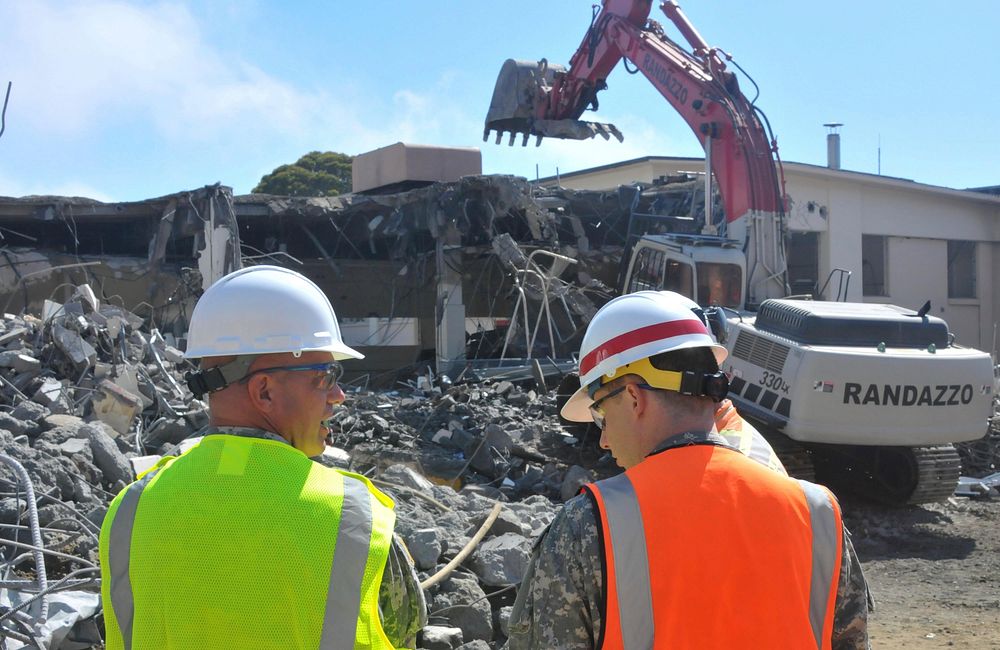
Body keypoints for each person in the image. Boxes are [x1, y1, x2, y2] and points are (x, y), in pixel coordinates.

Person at [507, 290, 871, 649]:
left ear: (634, 397)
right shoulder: (818, 515)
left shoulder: (588, 524)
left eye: (600, 413)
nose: (603, 440)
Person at [99, 265, 425, 649]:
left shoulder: (130, 512)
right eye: (325, 376)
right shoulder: (355, 523)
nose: (338, 396)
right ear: (265, 392)